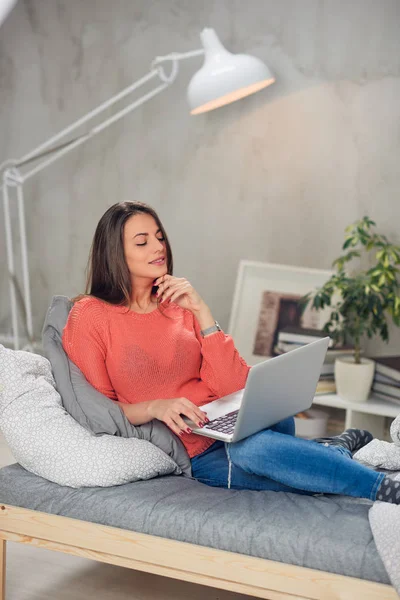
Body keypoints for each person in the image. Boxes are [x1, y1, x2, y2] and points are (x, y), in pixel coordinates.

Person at [63, 201, 398, 504]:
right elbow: (97, 411)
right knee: (255, 451)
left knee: (263, 426)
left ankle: (328, 451)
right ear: (114, 253)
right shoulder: (91, 315)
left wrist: (202, 312)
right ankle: (375, 483)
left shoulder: (177, 304)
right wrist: (155, 406)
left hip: (229, 420)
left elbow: (234, 386)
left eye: (160, 237)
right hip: (196, 448)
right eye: (142, 241)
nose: (158, 247)